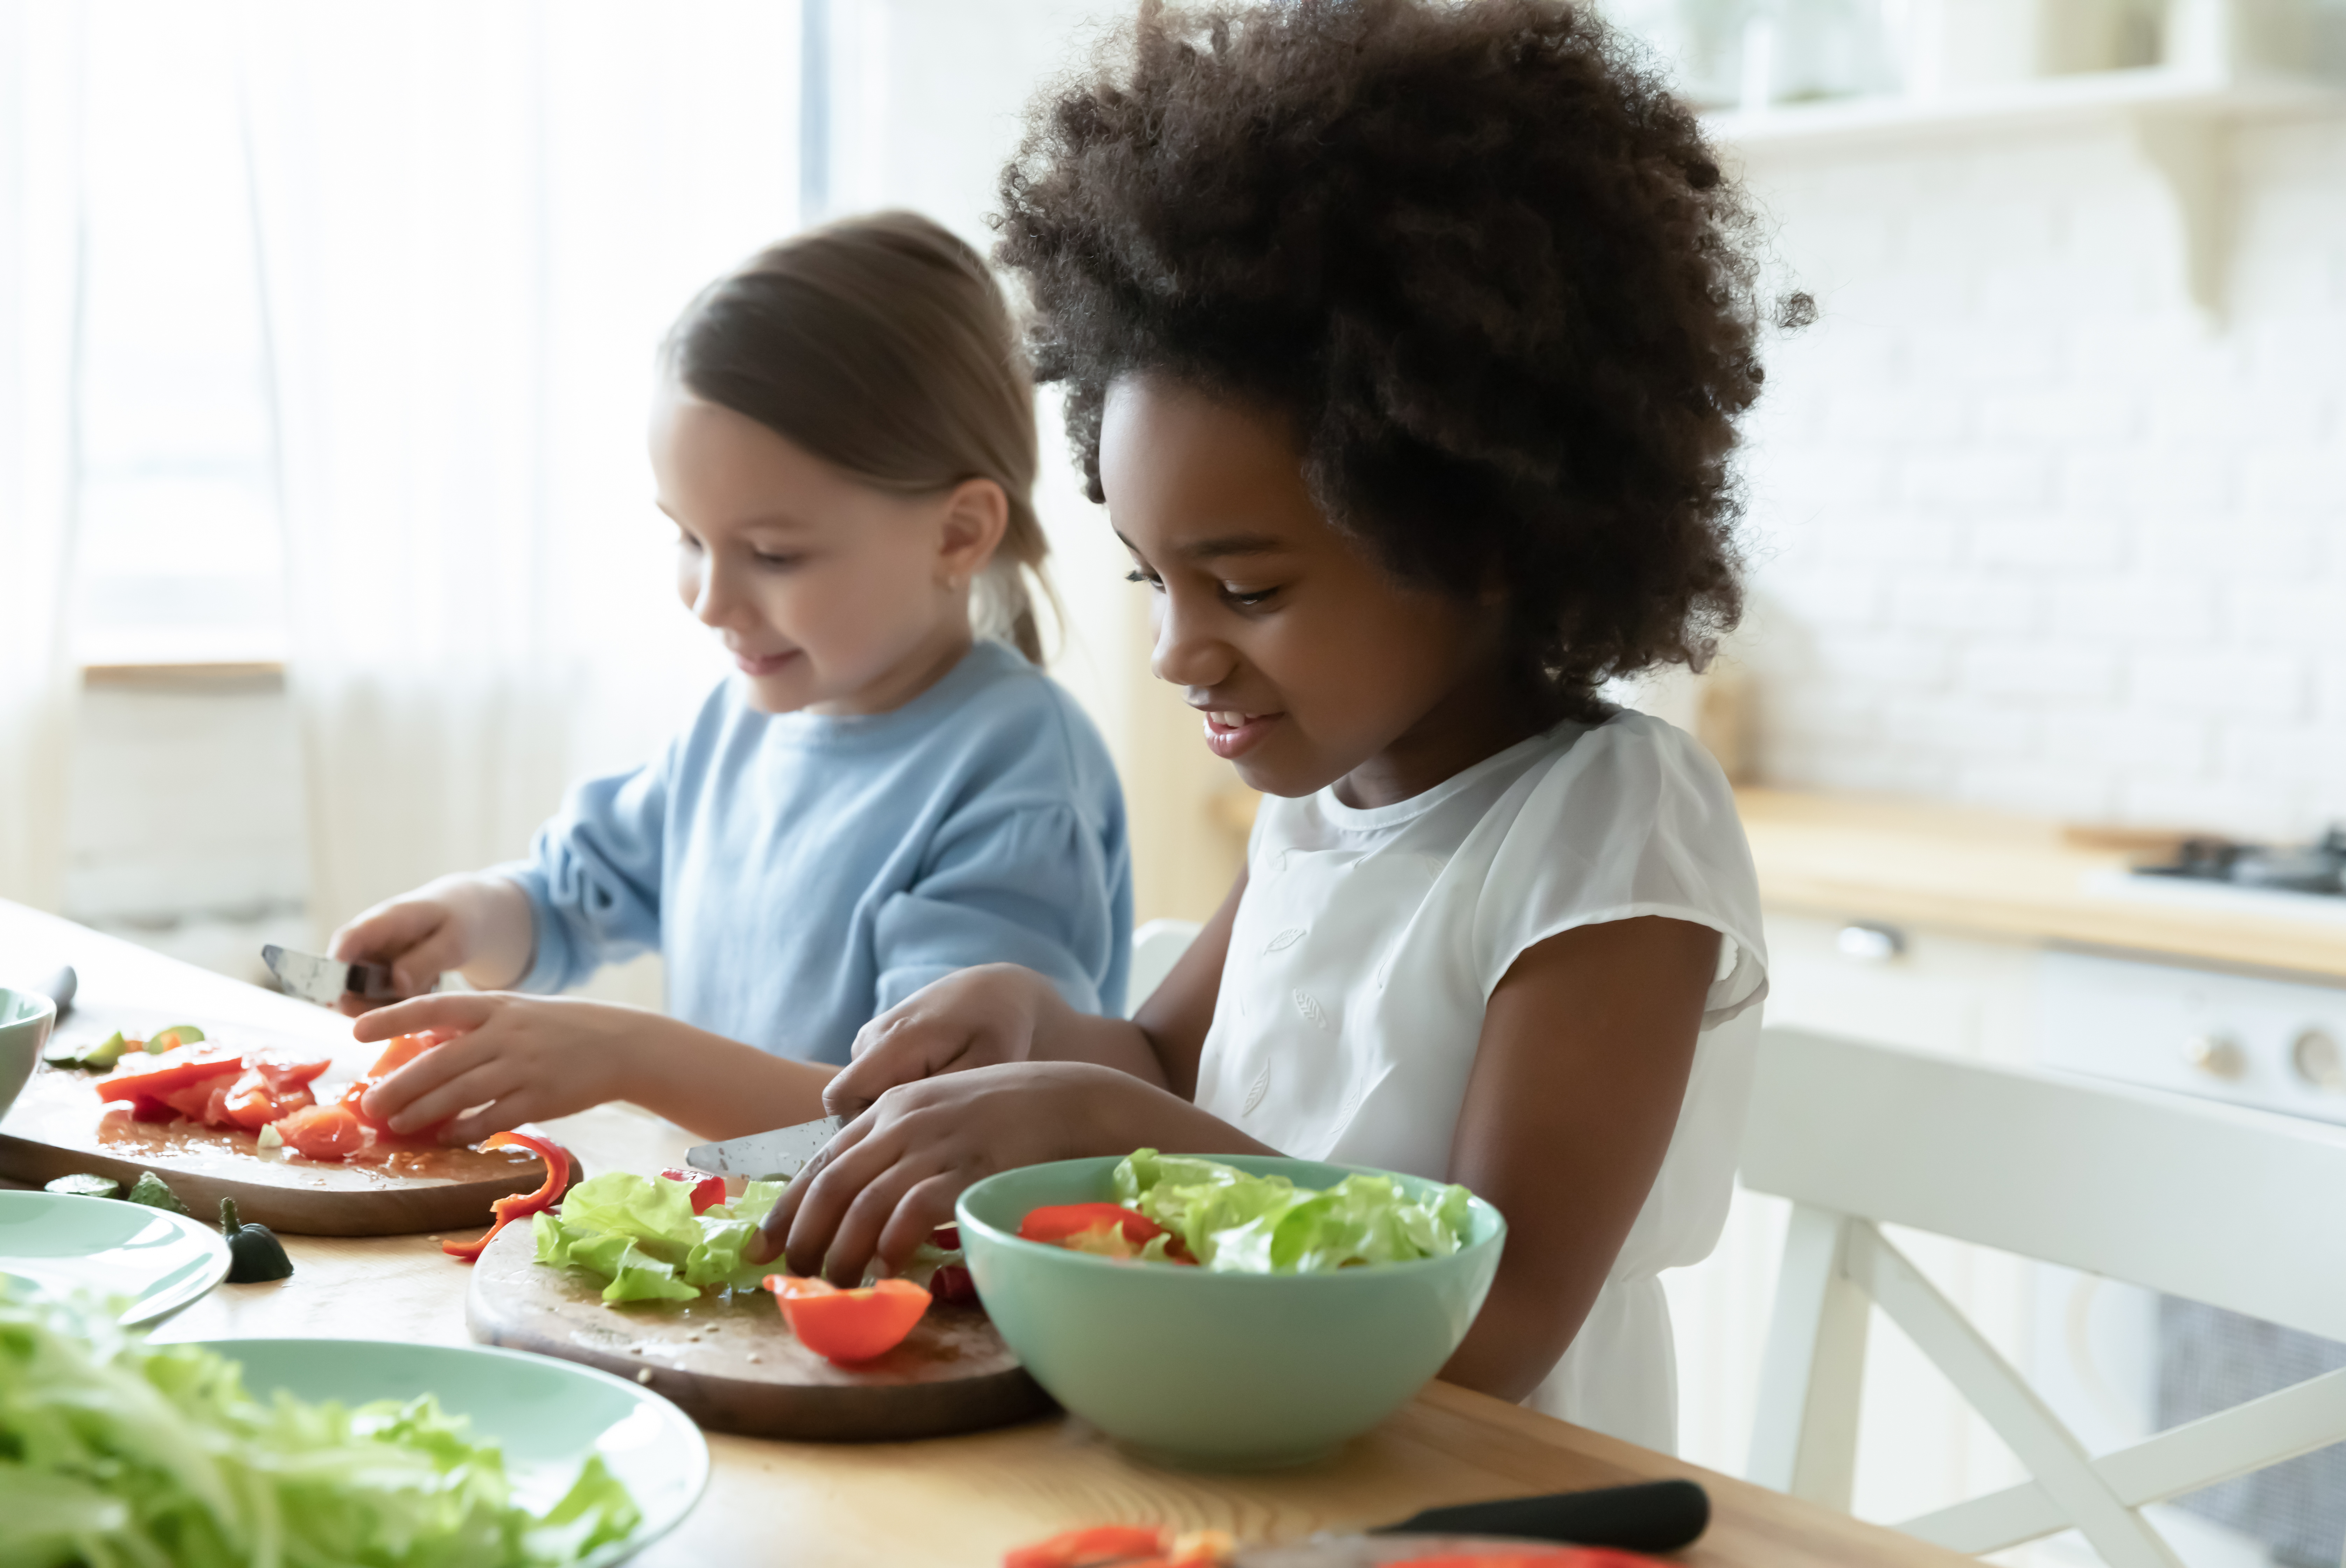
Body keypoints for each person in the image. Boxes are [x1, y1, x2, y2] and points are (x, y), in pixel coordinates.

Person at [752, 0, 1777, 1452]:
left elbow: (1494, 1317)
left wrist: (1106, 1129)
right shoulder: (1325, 799)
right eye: (1152, 579)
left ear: (1478, 533)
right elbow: (1166, 1070)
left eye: (1244, 585)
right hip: (1253, 1464)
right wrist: (1043, 1030)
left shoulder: (1606, 827)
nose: (1179, 650)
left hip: (1491, 1507)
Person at [333, 212, 1133, 1146]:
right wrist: (465, 919)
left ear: (957, 535)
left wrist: (628, 1056)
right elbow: (569, 897)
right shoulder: (737, 723)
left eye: (772, 554)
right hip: (730, 1263)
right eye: (688, 538)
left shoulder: (1014, 771)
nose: (711, 601)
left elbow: (933, 1129)